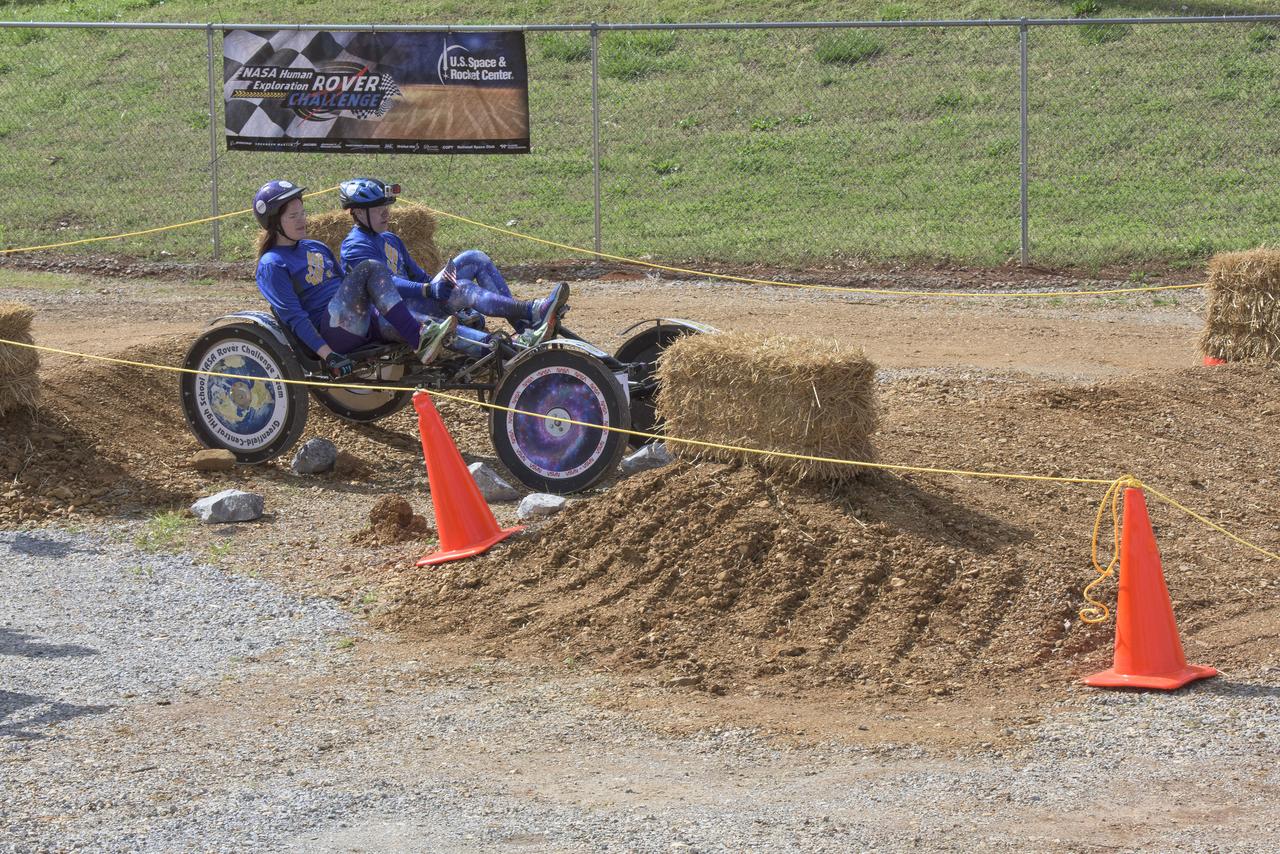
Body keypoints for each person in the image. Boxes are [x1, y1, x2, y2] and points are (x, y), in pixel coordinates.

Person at [336, 177, 567, 355]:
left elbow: (420, 276)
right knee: (463, 289)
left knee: (474, 258)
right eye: (378, 209)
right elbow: (386, 284)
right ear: (358, 213)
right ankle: (504, 346)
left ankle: (527, 328)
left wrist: (444, 294)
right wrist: (429, 291)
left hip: (413, 303)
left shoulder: (390, 239)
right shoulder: (355, 247)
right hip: (388, 317)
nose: (386, 213)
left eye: (387, 206)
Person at [252, 180, 457, 379]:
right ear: (274, 223)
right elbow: (294, 317)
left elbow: (349, 287)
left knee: (414, 312)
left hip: (356, 321)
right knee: (371, 267)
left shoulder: (316, 246)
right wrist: (328, 355)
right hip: (332, 333)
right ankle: (418, 340)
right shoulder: (272, 263)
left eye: (303, 213)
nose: (302, 220)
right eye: (293, 216)